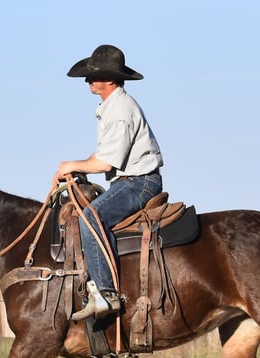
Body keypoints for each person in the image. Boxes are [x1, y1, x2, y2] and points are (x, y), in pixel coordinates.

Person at [54, 44, 164, 321]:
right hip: (129, 181)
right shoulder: (112, 107)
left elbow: (105, 164)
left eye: (93, 76)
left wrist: (70, 165)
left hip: (139, 183)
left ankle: (106, 293)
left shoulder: (120, 111)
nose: (88, 81)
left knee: (90, 217)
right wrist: (75, 167)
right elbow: (100, 156)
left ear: (111, 80)